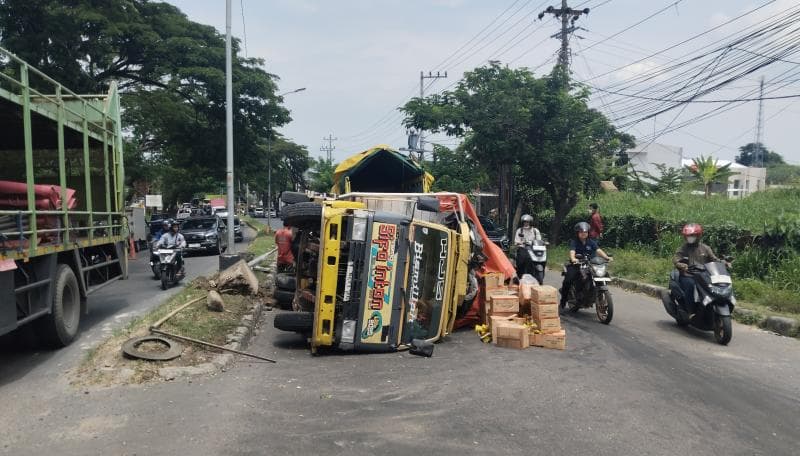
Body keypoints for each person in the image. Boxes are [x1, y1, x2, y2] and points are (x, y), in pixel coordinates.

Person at [672, 223, 721, 316]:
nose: (690, 237)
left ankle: (708, 307)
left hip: (704, 275)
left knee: (713, 287)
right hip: (688, 275)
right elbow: (676, 258)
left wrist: (723, 263)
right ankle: (689, 310)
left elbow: (714, 259)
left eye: (692, 235)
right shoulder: (683, 248)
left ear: (698, 236)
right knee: (690, 286)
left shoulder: (705, 248)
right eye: (688, 236)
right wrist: (681, 264)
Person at [560, 222, 613, 308]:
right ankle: (562, 302)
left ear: (588, 233)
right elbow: (572, 251)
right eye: (581, 232)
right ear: (577, 233)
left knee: (600, 274)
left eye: (585, 232)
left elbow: (598, 250)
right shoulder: (574, 242)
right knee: (568, 280)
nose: (583, 234)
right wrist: (573, 258)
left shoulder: (591, 242)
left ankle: (593, 293)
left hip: (589, 264)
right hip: (577, 264)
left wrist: (606, 257)